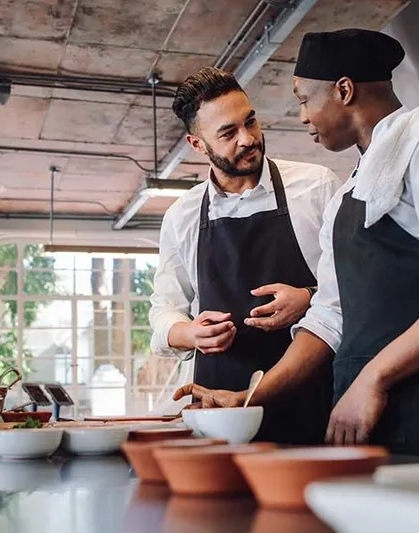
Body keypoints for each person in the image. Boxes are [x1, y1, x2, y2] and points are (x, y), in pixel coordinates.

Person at [174, 30, 419, 459]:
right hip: (375, 416)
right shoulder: (351, 191)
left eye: (304, 99)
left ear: (344, 90)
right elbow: (330, 317)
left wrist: (374, 377)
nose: (302, 116)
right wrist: (251, 399)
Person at [149, 67, 341, 444]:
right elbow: (163, 308)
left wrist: (307, 298)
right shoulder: (182, 216)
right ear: (197, 144)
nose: (248, 139)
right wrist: (189, 332)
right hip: (220, 412)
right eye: (228, 133)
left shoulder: (316, 187)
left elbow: (354, 289)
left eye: (250, 122)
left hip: (312, 400)